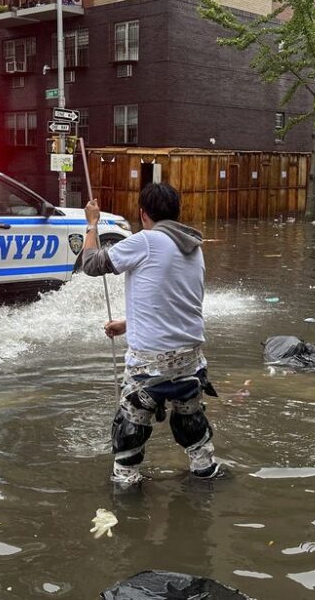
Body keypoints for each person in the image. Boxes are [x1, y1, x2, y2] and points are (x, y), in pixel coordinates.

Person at [81, 183, 222, 486]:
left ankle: (128, 491)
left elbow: (91, 265)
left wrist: (91, 224)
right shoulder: (193, 247)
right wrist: (128, 322)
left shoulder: (145, 241)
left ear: (143, 214)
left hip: (149, 365)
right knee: (192, 424)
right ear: (176, 212)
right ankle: (205, 472)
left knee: (130, 428)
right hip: (191, 362)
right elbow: (175, 302)